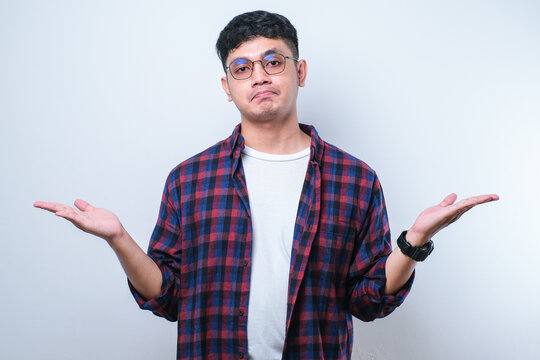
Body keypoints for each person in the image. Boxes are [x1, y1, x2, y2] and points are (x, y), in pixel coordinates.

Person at [34, 10, 498, 360]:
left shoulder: (355, 179)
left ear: (299, 72)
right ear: (227, 85)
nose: (259, 75)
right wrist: (118, 239)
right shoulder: (190, 179)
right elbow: (168, 295)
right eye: (242, 67)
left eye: (273, 61)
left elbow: (368, 300)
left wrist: (416, 240)